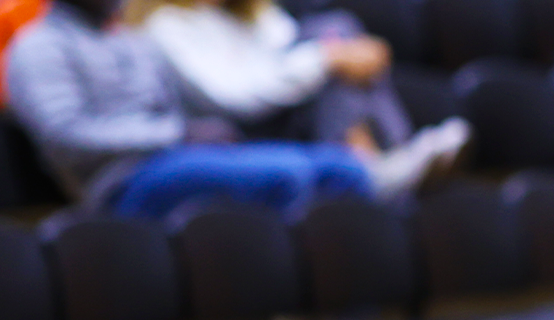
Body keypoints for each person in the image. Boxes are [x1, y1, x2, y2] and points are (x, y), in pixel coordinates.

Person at [6, 0, 430, 216]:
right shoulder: (36, 46)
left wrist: (191, 132)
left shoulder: (129, 42)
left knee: (344, 169)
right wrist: (176, 134)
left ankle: (341, 319)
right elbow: (63, 136)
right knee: (287, 173)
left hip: (181, 156)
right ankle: (277, 313)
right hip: (120, 182)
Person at [125, 0, 468, 191]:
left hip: (284, 118)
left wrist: (342, 55)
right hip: (231, 137)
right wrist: (326, 59)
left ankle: (384, 160)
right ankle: (375, 167)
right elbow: (238, 98)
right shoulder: (168, 24)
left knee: (336, 29)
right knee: (331, 51)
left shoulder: (243, 13)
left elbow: (289, 47)